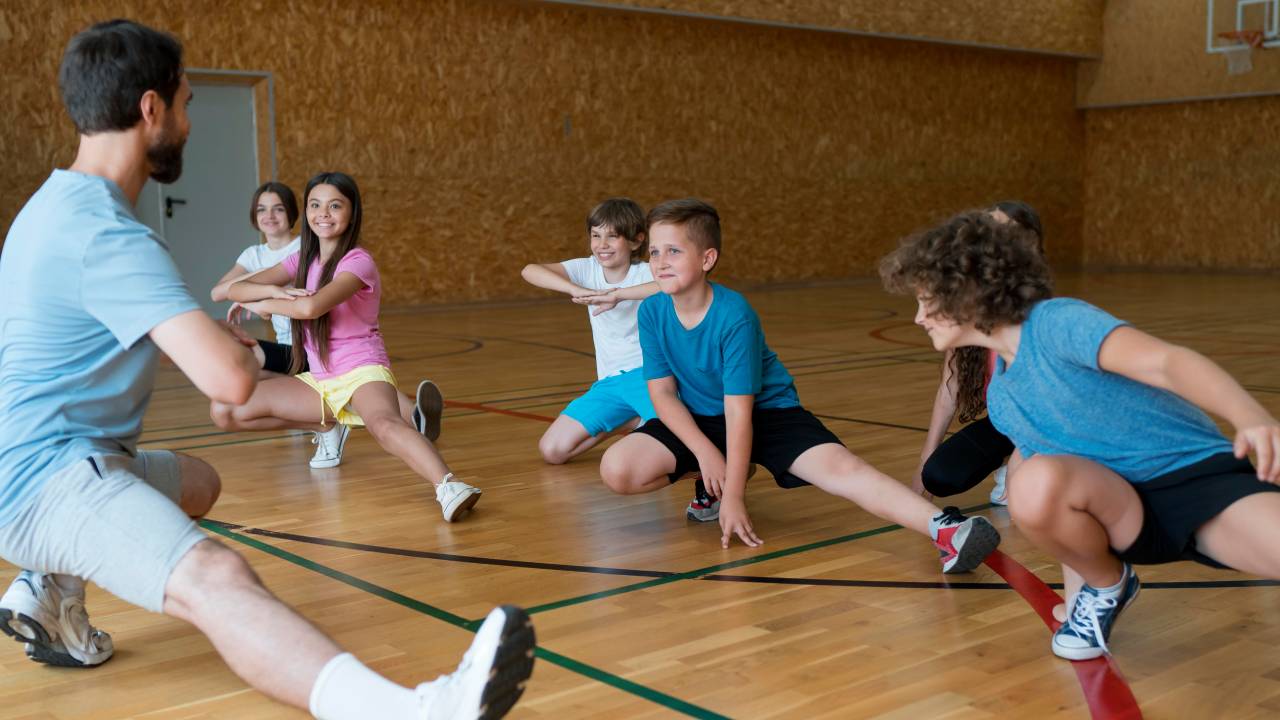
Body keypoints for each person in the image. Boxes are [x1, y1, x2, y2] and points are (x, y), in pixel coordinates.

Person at [0, 20, 533, 719]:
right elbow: (228, 382)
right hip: (48, 480)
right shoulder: (107, 234)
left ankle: (46, 588)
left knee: (198, 481)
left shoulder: (52, 207)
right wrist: (237, 352)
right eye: (186, 104)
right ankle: (410, 710)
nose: (189, 123)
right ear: (150, 109)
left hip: (66, 456)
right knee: (214, 574)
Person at [880, 209, 1280, 660]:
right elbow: (1055, 496)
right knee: (1026, 479)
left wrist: (1249, 414)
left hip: (1197, 484)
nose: (917, 317)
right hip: (1127, 516)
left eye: (925, 300)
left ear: (967, 292)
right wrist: (1080, 594)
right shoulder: (1005, 398)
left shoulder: (1055, 322)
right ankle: (1107, 587)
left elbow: (1169, 362)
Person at [598, 198, 1001, 574]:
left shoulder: (734, 315)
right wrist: (706, 455)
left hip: (767, 414)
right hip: (700, 418)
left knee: (842, 470)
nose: (660, 262)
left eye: (673, 251)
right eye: (653, 251)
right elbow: (663, 395)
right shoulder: (651, 311)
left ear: (707, 258)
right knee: (618, 469)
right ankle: (713, 483)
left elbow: (740, 414)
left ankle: (945, 528)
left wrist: (735, 495)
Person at [216, 172, 481, 522]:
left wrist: (266, 303)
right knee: (227, 411)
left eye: (335, 205)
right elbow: (234, 289)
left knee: (384, 425)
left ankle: (448, 486)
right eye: (315, 205)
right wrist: (277, 291)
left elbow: (311, 308)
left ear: (352, 214)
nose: (323, 213)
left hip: (361, 369)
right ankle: (325, 425)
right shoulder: (300, 262)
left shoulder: (358, 262)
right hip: (320, 379)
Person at [912, 201, 1044, 505]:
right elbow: (950, 387)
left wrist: (1021, 461)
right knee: (939, 474)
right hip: (1006, 421)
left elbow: (1045, 407)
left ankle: (1032, 462)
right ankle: (1013, 457)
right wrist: (924, 458)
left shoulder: (1039, 313)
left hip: (1049, 425)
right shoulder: (968, 306)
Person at [520, 198, 659, 461]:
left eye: (612, 236)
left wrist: (619, 295)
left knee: (662, 446)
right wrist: (574, 288)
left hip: (648, 378)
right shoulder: (587, 269)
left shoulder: (645, 273)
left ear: (636, 241)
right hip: (609, 383)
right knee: (553, 451)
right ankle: (629, 421)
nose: (601, 245)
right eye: (596, 236)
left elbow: (672, 284)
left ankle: (641, 421)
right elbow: (530, 270)